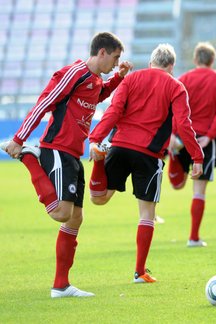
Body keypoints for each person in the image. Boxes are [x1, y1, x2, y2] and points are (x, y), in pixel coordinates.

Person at [0, 32, 131, 298]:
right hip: (56, 148)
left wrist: (118, 78)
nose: (117, 63)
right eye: (116, 58)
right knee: (61, 213)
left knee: (75, 218)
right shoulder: (75, 73)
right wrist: (18, 139)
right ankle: (30, 158)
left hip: (74, 153)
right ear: (102, 52)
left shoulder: (94, 79)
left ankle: (61, 285)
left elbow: (98, 94)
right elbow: (45, 102)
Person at [88, 44, 204, 283]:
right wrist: (197, 156)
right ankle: (139, 271)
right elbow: (183, 124)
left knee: (98, 198)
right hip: (148, 156)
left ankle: (99, 163)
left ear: (151, 63)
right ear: (171, 66)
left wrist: (96, 138)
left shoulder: (131, 79)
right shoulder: (176, 86)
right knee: (147, 215)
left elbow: (113, 110)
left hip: (119, 146)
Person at [167, 42, 216, 247]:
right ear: (213, 60)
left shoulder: (183, 79)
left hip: (182, 137)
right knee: (199, 191)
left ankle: (175, 161)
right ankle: (193, 237)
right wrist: (210, 136)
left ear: (195, 59)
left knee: (178, 185)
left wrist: (175, 134)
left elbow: (175, 109)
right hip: (203, 141)